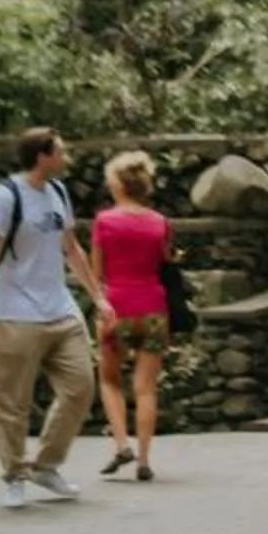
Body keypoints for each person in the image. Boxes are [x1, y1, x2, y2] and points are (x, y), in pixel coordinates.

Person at [0, 128, 108, 511]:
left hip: (60, 310)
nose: (66, 157)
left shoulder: (58, 193)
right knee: (12, 401)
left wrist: (98, 297)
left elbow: (71, 249)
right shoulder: (5, 197)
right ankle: (14, 474)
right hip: (15, 312)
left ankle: (46, 464)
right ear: (41, 155)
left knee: (80, 388)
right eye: (60, 151)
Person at [87, 150, 174, 483]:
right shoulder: (161, 223)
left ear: (120, 185)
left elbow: (97, 273)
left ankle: (122, 445)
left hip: (116, 307)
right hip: (153, 307)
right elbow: (166, 261)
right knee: (146, 388)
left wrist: (99, 303)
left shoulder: (104, 221)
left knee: (109, 379)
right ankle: (145, 460)